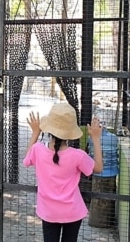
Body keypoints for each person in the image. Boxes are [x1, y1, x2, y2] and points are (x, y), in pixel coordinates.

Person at [23, 102, 103, 242]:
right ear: (70, 132)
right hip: (72, 211)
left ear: (48, 129)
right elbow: (98, 168)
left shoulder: (38, 149)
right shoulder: (78, 155)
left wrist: (35, 132)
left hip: (49, 212)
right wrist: (95, 139)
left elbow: (26, 160)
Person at [87, 122, 120, 228]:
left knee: (98, 197)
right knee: (107, 196)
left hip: (98, 172)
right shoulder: (113, 138)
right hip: (110, 171)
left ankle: (96, 221)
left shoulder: (90, 138)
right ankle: (106, 222)